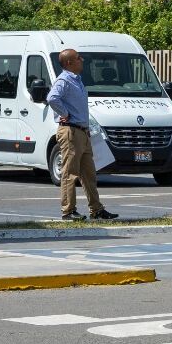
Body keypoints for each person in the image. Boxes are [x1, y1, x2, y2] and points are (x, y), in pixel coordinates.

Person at [46, 48, 117, 221]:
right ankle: (68, 211)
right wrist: (65, 113)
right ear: (69, 62)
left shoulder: (77, 80)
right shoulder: (64, 80)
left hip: (82, 132)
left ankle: (96, 209)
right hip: (70, 131)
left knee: (89, 173)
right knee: (70, 173)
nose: (82, 60)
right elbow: (52, 98)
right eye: (78, 58)